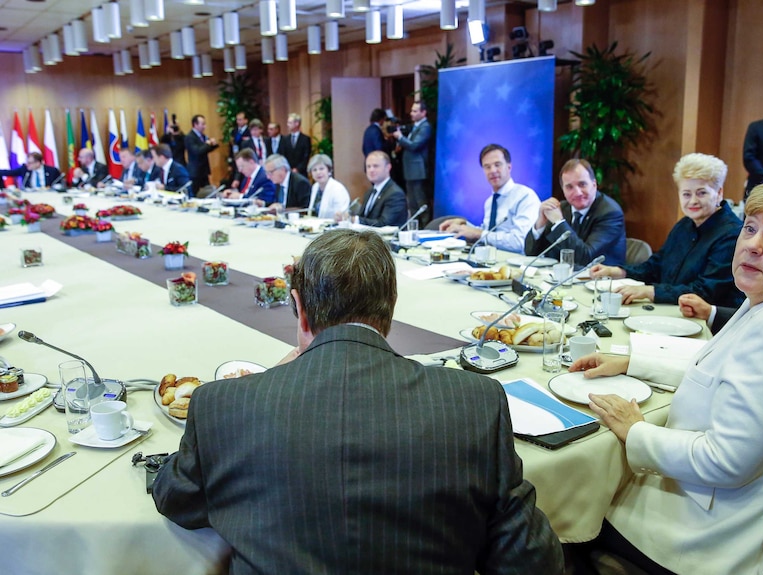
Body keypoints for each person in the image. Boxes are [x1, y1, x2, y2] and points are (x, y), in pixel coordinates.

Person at [152, 228, 564, 575]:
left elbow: (175, 498)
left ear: (300, 310)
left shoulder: (225, 406)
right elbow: (531, 562)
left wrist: (267, 383)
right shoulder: (475, 402)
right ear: (390, 310)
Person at [571, 175, 763, 575]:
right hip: (747, 500)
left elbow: (725, 462)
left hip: (719, 532)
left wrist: (636, 431)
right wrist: (632, 362)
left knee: (572, 513)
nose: (752, 245)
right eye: (751, 228)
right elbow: (720, 366)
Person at [589, 153, 744, 307]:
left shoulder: (731, 234)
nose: (693, 201)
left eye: (701, 193)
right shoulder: (684, 225)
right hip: (671, 311)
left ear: (719, 193)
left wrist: (648, 291)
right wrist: (617, 271)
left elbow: (704, 291)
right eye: (686, 194)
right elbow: (656, 265)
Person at [439, 144, 541, 255]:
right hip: (488, 261)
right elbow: (489, 232)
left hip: (516, 265)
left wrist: (478, 233)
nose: (492, 170)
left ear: (509, 167)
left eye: (497, 165)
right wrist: (464, 225)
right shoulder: (490, 201)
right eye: (487, 167)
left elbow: (521, 242)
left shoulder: (525, 196)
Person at [525, 158, 626, 265]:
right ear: (563, 190)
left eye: (582, 184)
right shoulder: (562, 208)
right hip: (562, 278)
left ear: (594, 185)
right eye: (569, 187)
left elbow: (585, 258)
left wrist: (559, 223)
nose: (577, 192)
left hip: (600, 279)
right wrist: (540, 223)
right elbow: (531, 253)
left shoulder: (610, 213)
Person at [335, 150, 407, 228]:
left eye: (375, 166)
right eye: (368, 166)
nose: (371, 170)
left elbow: (384, 224)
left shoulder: (395, 194)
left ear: (388, 167)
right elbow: (363, 217)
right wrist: (347, 217)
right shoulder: (369, 192)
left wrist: (354, 220)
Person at [393, 101, 433, 226]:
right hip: (410, 170)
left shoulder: (425, 127)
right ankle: (416, 228)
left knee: (421, 202)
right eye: (411, 110)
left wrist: (400, 137)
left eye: (415, 111)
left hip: (418, 171)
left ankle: (426, 228)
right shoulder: (415, 126)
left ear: (423, 112)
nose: (411, 113)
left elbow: (414, 145)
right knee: (413, 203)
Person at [306, 153, 350, 218]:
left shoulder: (338, 189)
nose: (318, 172)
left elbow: (341, 215)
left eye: (321, 169)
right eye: (314, 170)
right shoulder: (315, 187)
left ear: (329, 171)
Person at [184, 114, 220, 194]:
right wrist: (207, 144)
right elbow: (197, 151)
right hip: (195, 172)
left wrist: (213, 145)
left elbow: (205, 150)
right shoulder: (189, 137)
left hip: (204, 171)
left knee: (208, 192)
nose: (205, 126)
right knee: (194, 194)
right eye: (202, 124)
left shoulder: (203, 136)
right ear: (195, 124)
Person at [284, 113, 311, 178]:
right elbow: (284, 155)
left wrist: (298, 169)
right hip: (288, 172)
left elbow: (306, 156)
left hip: (301, 173)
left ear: (297, 123)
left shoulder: (305, 139)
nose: (288, 125)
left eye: (290, 123)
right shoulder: (285, 139)